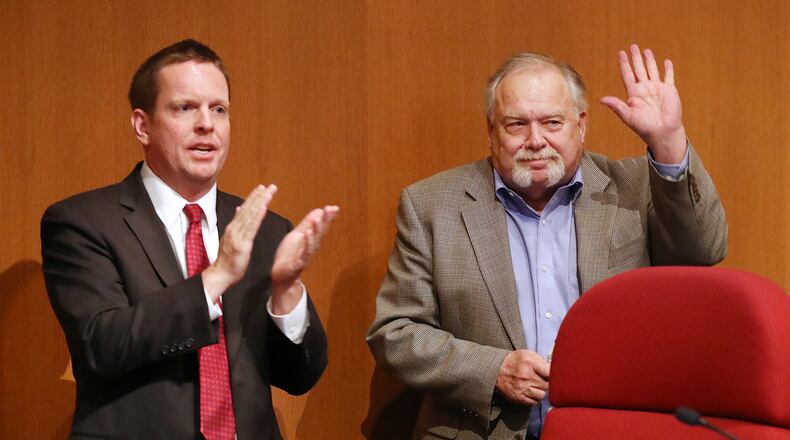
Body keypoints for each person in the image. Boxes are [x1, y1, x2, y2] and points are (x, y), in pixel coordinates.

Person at [367, 44, 727, 439]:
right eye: (516, 124)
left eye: (552, 123)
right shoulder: (431, 205)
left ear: (581, 124)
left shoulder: (635, 188)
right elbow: (396, 333)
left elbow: (703, 251)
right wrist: (494, 370)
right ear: (491, 130)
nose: (535, 140)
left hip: (608, 429)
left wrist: (669, 141)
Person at [41, 39, 338, 440]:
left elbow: (300, 376)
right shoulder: (81, 222)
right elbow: (101, 346)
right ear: (142, 125)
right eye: (185, 108)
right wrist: (215, 277)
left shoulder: (265, 228)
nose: (207, 124)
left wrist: (287, 292)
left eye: (219, 109)